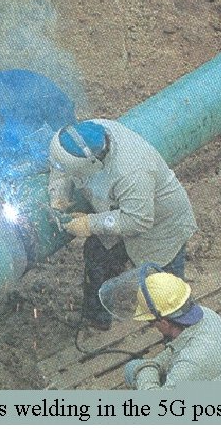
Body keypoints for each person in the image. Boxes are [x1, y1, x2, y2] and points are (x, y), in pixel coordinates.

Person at [47, 119, 197, 330]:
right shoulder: (83, 137)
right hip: (116, 211)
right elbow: (60, 165)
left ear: (92, 164)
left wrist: (89, 224)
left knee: (163, 290)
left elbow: (138, 220)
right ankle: (97, 319)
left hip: (160, 228)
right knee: (97, 256)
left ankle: (180, 331)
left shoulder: (132, 171)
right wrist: (59, 195)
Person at [124, 269, 221, 389]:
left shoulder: (189, 364)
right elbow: (175, 350)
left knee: (132, 369)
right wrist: (154, 364)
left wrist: (145, 371)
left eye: (151, 322)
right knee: (138, 368)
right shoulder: (206, 314)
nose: (153, 326)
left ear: (164, 323)